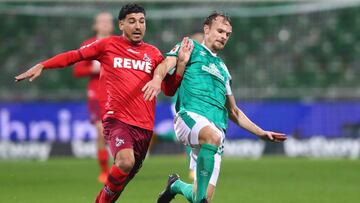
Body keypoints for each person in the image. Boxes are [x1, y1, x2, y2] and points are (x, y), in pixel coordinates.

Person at [15, 3, 186, 203]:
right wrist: (44, 64)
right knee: (125, 161)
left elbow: (169, 89)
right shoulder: (107, 45)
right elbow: (75, 56)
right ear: (121, 24)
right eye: (132, 21)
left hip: (144, 127)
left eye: (141, 21)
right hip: (117, 120)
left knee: (120, 182)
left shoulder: (154, 54)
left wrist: (180, 65)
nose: (138, 26)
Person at [142, 12, 287, 203]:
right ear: (206, 29)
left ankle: (175, 185)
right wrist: (156, 79)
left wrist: (260, 132)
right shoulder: (189, 48)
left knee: (200, 197)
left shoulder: (223, 69)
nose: (223, 36)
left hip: (216, 132)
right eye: (220, 31)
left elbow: (234, 111)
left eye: (227, 34)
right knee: (212, 138)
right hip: (190, 117)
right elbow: (166, 63)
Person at [73, 11, 114, 184]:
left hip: (115, 94)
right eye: (102, 21)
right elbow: (77, 70)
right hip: (96, 95)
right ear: (95, 25)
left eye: (108, 21)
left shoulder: (118, 43)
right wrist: (94, 69)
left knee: (116, 132)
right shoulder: (88, 44)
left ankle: (120, 167)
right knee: (100, 132)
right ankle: (105, 172)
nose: (105, 24)